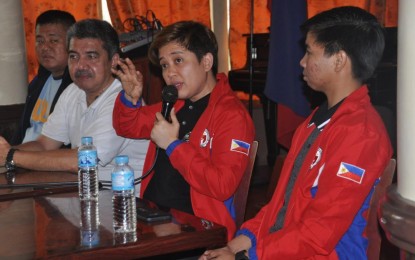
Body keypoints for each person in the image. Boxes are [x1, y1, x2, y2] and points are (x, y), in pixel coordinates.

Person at [200, 6, 393, 259]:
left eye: (310, 52)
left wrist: (249, 257)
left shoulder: (361, 134)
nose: (302, 61)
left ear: (339, 60)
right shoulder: (314, 121)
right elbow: (281, 205)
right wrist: (236, 245)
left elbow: (320, 232)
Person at [112, 21, 255, 240]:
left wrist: (172, 145)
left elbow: (222, 185)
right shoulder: (174, 104)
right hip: (152, 217)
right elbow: (127, 126)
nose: (170, 72)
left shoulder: (231, 116)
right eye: (164, 65)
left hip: (196, 230)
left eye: (178, 60)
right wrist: (130, 98)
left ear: (206, 61)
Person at [0, 19, 148, 192]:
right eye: (73, 56)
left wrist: (12, 156)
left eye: (91, 56)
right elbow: (44, 144)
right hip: (84, 194)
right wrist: (5, 152)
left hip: (126, 203)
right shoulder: (73, 91)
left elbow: (81, 160)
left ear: (114, 60)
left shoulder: (124, 99)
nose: (81, 65)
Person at [12, 10, 76, 145]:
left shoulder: (77, 86)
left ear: (73, 42)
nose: (45, 47)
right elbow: (23, 131)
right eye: (40, 41)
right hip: (22, 156)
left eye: (53, 40)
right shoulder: (37, 82)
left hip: (48, 160)